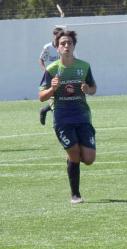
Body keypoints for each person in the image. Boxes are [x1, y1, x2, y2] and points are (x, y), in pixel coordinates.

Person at [39, 30, 98, 205]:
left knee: (88, 159)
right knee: (74, 154)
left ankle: (72, 156)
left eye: (69, 43)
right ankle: (75, 194)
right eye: (63, 43)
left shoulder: (84, 66)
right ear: (57, 48)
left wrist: (88, 90)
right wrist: (52, 89)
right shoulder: (52, 70)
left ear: (74, 46)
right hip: (62, 118)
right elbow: (41, 96)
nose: (66, 46)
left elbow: (93, 88)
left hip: (82, 116)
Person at [39, 26, 64, 125]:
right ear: (54, 36)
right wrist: (45, 71)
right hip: (51, 76)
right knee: (55, 96)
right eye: (58, 36)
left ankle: (45, 110)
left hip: (63, 75)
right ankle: (56, 121)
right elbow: (41, 59)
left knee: (62, 96)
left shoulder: (63, 46)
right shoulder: (48, 47)